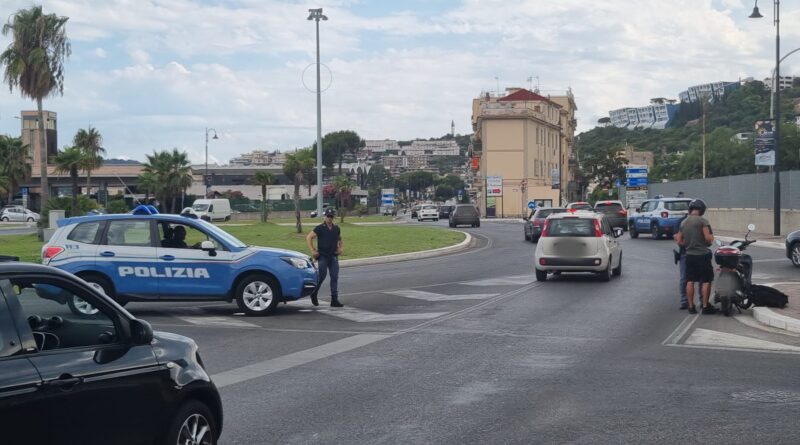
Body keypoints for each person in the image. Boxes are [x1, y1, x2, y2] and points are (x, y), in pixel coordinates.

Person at [675, 199, 717, 314]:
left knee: (690, 281)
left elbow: (679, 240)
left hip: (689, 255)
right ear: (702, 210)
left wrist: (688, 245)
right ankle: (705, 306)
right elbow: (708, 238)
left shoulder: (683, 222)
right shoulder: (703, 221)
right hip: (702, 255)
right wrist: (709, 241)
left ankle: (690, 306)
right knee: (706, 281)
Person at [306, 208, 344, 307]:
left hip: (333, 256)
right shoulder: (320, 228)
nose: (329, 218)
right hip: (323, 256)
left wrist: (341, 248)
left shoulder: (336, 228)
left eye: (331, 216)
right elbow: (309, 237)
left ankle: (334, 300)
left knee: (334, 277)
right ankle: (314, 293)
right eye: (328, 216)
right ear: (325, 216)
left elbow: (340, 239)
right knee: (322, 276)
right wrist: (313, 250)